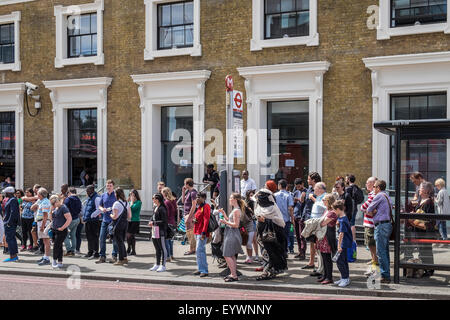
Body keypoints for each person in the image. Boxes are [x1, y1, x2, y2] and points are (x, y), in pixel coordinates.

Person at [254, 182, 287, 280]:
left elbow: (280, 223)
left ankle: (268, 272)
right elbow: (256, 213)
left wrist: (266, 220)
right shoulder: (258, 207)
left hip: (271, 237)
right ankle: (268, 270)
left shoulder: (273, 208)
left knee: (271, 253)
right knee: (265, 253)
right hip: (262, 235)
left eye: (263, 196)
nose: (260, 197)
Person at [404, 181, 436, 277]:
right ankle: (423, 269)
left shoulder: (429, 202)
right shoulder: (420, 200)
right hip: (418, 229)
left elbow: (428, 218)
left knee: (426, 250)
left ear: (426, 190)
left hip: (425, 231)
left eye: (421, 188)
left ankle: (429, 270)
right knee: (421, 249)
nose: (419, 190)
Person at [367, 180, 393, 283]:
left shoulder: (379, 196)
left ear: (378, 187)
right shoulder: (387, 196)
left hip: (381, 225)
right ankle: (386, 273)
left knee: (381, 252)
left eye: (374, 187)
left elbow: (368, 209)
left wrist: (373, 211)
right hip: (387, 224)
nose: (373, 189)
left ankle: (385, 276)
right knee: (385, 251)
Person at [218, 193, 245, 282]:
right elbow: (231, 221)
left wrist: (224, 222)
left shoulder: (236, 210)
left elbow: (236, 225)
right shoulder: (235, 210)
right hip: (231, 233)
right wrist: (224, 214)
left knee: (226, 254)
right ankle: (233, 274)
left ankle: (234, 275)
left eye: (231, 198)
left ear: (235, 199)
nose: (229, 199)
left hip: (232, 234)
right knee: (232, 255)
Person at [301, 172, 322, 270]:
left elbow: (322, 203)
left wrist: (312, 197)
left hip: (316, 218)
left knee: (316, 241)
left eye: (309, 179)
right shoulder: (308, 189)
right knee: (311, 241)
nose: (307, 180)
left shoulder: (319, 189)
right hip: (308, 217)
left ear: (314, 180)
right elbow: (305, 204)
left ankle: (318, 264)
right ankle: (311, 262)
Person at [317, 193, 337, 284]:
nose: (323, 201)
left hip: (328, 237)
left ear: (329, 201)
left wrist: (316, 223)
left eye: (324, 199)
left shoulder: (332, 212)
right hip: (323, 237)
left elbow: (322, 223)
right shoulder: (327, 210)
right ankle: (325, 275)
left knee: (327, 258)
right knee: (323, 257)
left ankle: (329, 277)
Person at [96, 179, 118, 264]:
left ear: (113, 186)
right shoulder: (103, 195)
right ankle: (102, 256)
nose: (108, 187)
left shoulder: (116, 195)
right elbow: (100, 205)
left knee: (114, 239)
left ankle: (114, 255)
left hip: (114, 220)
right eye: (107, 186)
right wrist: (102, 209)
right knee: (101, 238)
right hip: (105, 220)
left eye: (110, 186)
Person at [309, 182, 327, 277]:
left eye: (315, 188)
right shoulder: (320, 197)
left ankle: (321, 268)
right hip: (316, 225)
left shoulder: (324, 197)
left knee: (320, 247)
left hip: (320, 225)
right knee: (317, 248)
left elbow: (326, 207)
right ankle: (319, 267)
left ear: (320, 189)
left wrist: (313, 199)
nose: (314, 190)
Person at [49, 195, 72, 269]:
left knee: (56, 245)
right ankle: (60, 261)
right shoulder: (56, 208)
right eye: (51, 203)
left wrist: (62, 227)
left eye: (53, 203)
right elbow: (51, 219)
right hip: (55, 229)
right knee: (59, 246)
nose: (52, 205)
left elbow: (69, 219)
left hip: (61, 230)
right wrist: (51, 210)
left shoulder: (63, 208)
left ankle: (54, 260)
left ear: (58, 201)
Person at [333, 200, 352, 287]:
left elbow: (341, 234)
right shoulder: (342, 218)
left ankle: (345, 278)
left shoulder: (342, 220)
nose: (334, 212)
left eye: (334, 210)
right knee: (343, 260)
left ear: (338, 209)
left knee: (340, 261)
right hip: (344, 242)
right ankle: (345, 277)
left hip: (343, 243)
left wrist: (339, 245)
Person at [110, 188, 131, 266]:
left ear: (116, 194)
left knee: (119, 242)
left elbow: (114, 217)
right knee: (122, 241)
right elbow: (129, 216)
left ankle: (121, 259)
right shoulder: (126, 203)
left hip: (118, 225)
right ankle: (125, 257)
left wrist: (110, 215)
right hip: (125, 224)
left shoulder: (116, 203)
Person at [361, 177, 378, 267]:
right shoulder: (371, 194)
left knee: (371, 243)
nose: (366, 184)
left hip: (371, 223)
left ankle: (375, 260)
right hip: (369, 222)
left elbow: (363, 207)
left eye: (367, 183)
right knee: (369, 243)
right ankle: (373, 259)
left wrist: (366, 210)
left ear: (372, 184)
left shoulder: (373, 195)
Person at [193, 192, 211, 277]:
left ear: (203, 198)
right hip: (197, 231)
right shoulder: (199, 207)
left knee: (200, 250)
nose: (196, 199)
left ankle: (204, 270)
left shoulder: (206, 206)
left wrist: (204, 232)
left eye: (198, 197)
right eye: (196, 197)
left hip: (202, 232)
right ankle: (200, 268)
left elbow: (206, 220)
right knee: (198, 251)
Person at [274, 179, 294, 254]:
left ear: (279, 186)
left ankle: (279, 251)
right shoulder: (289, 195)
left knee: (278, 236)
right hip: (286, 219)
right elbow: (290, 208)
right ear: (286, 186)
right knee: (286, 236)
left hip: (277, 219)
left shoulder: (275, 195)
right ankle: (285, 251)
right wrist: (292, 218)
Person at [149, 193, 168, 272]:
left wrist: (154, 223)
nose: (153, 200)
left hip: (160, 231)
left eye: (154, 198)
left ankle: (163, 265)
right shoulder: (155, 207)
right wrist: (151, 221)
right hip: (154, 230)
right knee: (157, 248)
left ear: (158, 200)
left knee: (162, 248)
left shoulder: (162, 208)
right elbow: (153, 217)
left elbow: (164, 221)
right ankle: (157, 264)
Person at [82, 185, 101, 259]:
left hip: (94, 221)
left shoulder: (96, 198)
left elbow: (99, 209)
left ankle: (96, 253)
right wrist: (84, 217)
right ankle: (90, 252)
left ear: (92, 190)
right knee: (89, 237)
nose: (86, 192)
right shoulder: (89, 198)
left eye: (88, 190)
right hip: (88, 221)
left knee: (95, 237)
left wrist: (92, 216)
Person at [35, 188, 52, 266]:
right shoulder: (42, 201)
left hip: (43, 222)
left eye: (38, 194)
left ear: (41, 194)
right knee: (45, 241)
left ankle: (47, 258)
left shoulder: (45, 202)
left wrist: (42, 226)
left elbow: (45, 215)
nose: (37, 195)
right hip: (41, 222)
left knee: (46, 241)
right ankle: (45, 256)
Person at [63, 187, 82, 256]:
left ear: (69, 192)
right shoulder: (78, 199)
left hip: (69, 219)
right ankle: (73, 250)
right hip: (77, 218)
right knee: (73, 235)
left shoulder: (68, 199)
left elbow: (64, 209)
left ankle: (69, 250)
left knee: (65, 234)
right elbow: (80, 209)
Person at [3, 187, 20, 262]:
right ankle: (14, 255)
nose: (5, 194)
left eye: (6, 192)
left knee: (10, 239)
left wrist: (9, 222)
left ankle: (13, 256)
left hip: (10, 223)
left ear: (9, 193)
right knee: (11, 239)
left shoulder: (12, 200)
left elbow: (13, 212)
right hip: (9, 222)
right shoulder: (11, 199)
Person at [345, 174, 364, 240]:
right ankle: (353, 240)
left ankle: (352, 240)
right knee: (352, 223)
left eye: (346, 179)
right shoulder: (357, 187)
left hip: (349, 209)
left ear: (349, 180)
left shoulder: (348, 189)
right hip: (355, 208)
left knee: (350, 224)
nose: (345, 180)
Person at [182, 178, 198, 255]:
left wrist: (189, 217)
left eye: (185, 184)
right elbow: (183, 201)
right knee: (189, 232)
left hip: (190, 215)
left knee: (191, 232)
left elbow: (194, 205)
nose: (184, 185)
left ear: (187, 184)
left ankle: (192, 249)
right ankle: (192, 248)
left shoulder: (193, 193)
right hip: (187, 214)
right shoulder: (189, 192)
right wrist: (183, 192)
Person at [292, 178, 307, 260]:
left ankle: (303, 253)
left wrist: (297, 199)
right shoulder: (296, 192)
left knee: (302, 235)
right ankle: (299, 251)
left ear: (302, 184)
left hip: (302, 216)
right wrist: (294, 201)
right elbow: (293, 204)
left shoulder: (306, 191)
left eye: (299, 186)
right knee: (297, 235)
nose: (298, 188)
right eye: (296, 187)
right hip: (296, 214)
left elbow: (303, 201)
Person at [162, 187, 177, 261]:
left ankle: (168, 257)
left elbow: (166, 214)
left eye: (162, 193)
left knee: (166, 241)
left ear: (164, 193)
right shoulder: (173, 200)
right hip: (173, 222)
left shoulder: (166, 202)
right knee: (170, 240)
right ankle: (171, 255)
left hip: (168, 222)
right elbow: (175, 211)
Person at [127, 189, 142, 256]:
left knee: (131, 235)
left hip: (135, 220)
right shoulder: (129, 202)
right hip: (129, 220)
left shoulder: (138, 202)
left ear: (136, 195)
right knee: (127, 236)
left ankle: (133, 250)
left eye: (133, 195)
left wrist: (132, 202)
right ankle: (129, 248)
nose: (131, 196)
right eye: (130, 195)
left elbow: (131, 208)